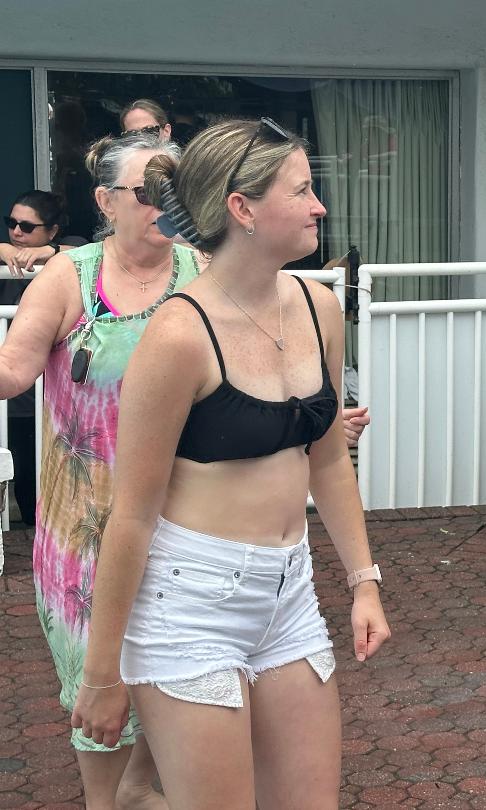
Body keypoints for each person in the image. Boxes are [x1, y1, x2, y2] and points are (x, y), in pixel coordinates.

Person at [71, 117, 390, 808]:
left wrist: (364, 582)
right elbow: (132, 516)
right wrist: (101, 674)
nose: (319, 207)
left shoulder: (319, 308)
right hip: (187, 604)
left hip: (289, 594)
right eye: (301, 190)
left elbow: (328, 461)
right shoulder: (178, 336)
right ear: (242, 209)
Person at [0, 130, 190, 808]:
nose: (164, 204)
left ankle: (138, 789)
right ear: (106, 201)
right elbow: (13, 371)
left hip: (184, 517)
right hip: (85, 525)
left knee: (171, 669)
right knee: (97, 680)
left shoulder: (204, 271)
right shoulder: (71, 276)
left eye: (174, 189)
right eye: (148, 191)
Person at [1, 191, 87, 527]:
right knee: (21, 473)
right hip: (14, 393)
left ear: (52, 230)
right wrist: (3, 250)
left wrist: (49, 252)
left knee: (49, 474)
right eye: (11, 223)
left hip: (53, 395)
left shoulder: (72, 254)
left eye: (26, 226)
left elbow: (86, 249)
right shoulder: (7, 255)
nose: (16, 232)